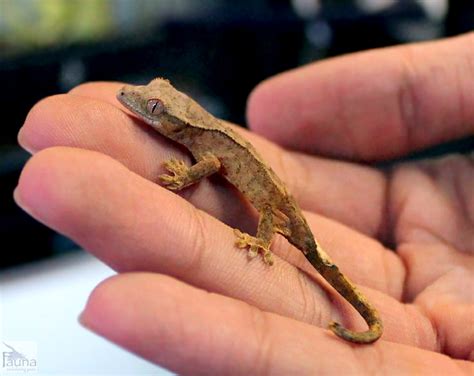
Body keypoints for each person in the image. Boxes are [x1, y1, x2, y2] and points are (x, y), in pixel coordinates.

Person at [15, 32, 473, 374]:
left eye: (153, 109)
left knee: (314, 258)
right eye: (150, 101)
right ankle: (365, 316)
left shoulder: (201, 142)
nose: (137, 104)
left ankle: (368, 319)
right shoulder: (195, 131)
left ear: (176, 121)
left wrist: (252, 234)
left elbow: (212, 164)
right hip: (273, 195)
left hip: (275, 209)